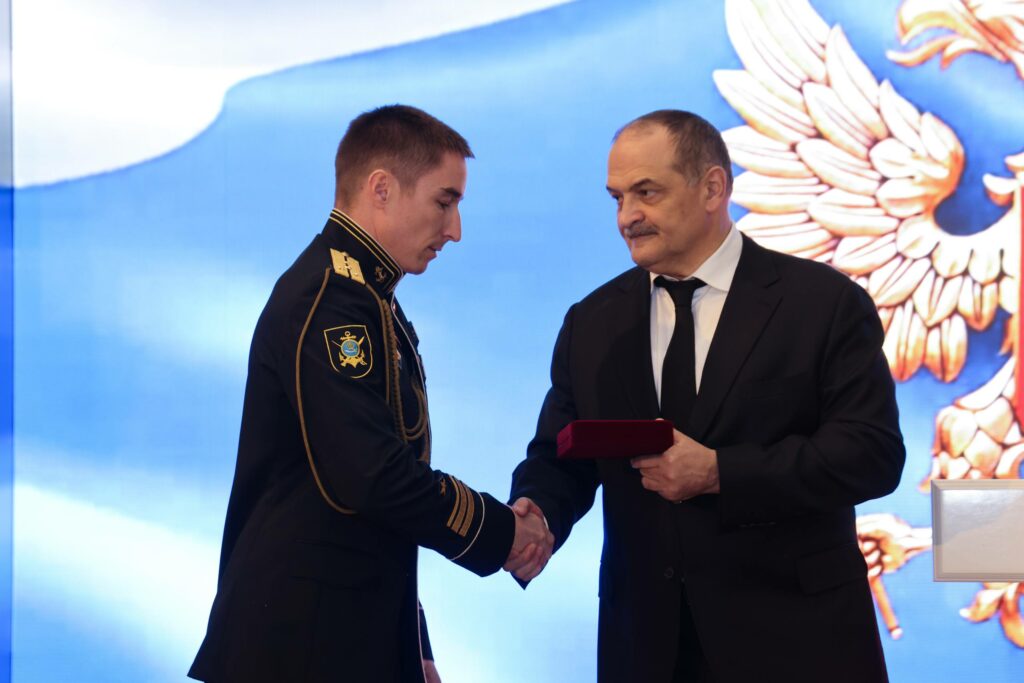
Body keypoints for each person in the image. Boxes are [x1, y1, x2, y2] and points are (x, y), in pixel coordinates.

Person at [507, 110, 905, 682]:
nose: (627, 216)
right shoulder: (592, 322)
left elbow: (870, 454)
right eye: (617, 197)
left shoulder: (823, 304)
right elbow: (561, 454)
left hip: (799, 645)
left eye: (647, 192)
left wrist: (721, 472)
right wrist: (536, 513)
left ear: (713, 187)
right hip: (647, 650)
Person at [189, 104, 552, 683]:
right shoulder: (330, 299)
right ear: (381, 189)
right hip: (300, 648)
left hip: (337, 636)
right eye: (444, 201)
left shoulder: (364, 296)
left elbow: (370, 510)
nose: (455, 229)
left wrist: (413, 641)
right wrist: (502, 532)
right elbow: (372, 477)